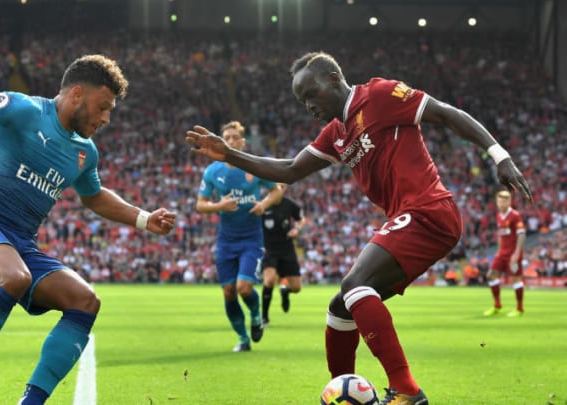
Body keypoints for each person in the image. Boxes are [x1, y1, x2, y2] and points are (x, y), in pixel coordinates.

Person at [186, 52, 533, 404]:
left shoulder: (379, 96)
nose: (308, 105)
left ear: (334, 79)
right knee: (340, 308)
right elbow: (289, 168)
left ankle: (408, 392)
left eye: (310, 94)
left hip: (429, 210)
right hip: (410, 218)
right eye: (301, 100)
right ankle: (342, 392)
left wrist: (498, 154)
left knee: (354, 285)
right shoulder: (336, 133)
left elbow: (445, 113)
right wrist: (229, 154)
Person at [0, 54, 176, 405]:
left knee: (85, 301)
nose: (105, 119)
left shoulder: (86, 152)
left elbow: (94, 197)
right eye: (103, 107)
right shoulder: (24, 110)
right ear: (78, 94)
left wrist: (143, 218)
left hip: (22, 246)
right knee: (15, 277)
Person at [195, 120, 283, 352]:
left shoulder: (253, 167)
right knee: (228, 291)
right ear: (221, 141)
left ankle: (256, 316)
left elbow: (277, 190)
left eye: (235, 138)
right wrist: (219, 205)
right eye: (227, 138)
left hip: (251, 239)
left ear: (243, 142)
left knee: (244, 287)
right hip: (226, 240)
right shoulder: (213, 171)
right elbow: (201, 205)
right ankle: (243, 339)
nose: (231, 141)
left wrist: (263, 205)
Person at [260, 183, 307, 325]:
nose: (281, 189)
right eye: (278, 186)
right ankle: (264, 317)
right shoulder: (262, 205)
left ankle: (285, 291)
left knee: (296, 288)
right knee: (269, 280)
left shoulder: (290, 205)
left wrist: (297, 230)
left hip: (287, 249)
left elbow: (302, 219)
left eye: (283, 187)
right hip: (269, 250)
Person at [484, 188, 527, 317]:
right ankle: (497, 305)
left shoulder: (515, 215)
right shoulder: (498, 216)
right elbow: (500, 236)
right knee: (491, 275)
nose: (501, 203)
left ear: (509, 202)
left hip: (513, 253)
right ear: (497, 202)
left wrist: (517, 253)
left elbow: (521, 234)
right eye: (500, 200)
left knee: (516, 279)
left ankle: (519, 308)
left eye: (504, 201)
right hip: (502, 253)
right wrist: (498, 252)